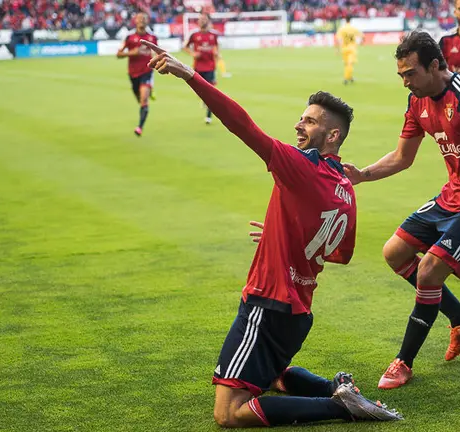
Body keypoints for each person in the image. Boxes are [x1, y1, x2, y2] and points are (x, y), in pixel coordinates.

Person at [141, 40, 403, 427]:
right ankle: (338, 386)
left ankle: (340, 407)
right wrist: (285, 231)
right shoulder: (346, 186)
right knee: (275, 377)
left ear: (332, 136)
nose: (299, 124)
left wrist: (188, 74)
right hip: (298, 312)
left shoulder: (302, 167)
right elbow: (338, 252)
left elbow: (243, 125)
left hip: (269, 302)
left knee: (229, 412)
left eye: (310, 121)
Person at [342, 31, 460, 390]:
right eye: (401, 74)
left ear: (435, 65)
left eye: (410, 73)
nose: (405, 81)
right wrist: (362, 176)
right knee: (395, 252)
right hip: (451, 197)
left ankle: (403, 362)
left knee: (429, 272)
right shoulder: (416, 101)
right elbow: (403, 157)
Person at [116, 13, 158, 137]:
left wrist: (157, 60)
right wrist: (132, 53)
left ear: (147, 21)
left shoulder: (152, 38)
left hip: (147, 72)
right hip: (133, 73)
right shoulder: (129, 38)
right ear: (135, 21)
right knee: (139, 98)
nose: (141, 21)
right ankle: (150, 91)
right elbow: (118, 54)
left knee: (144, 100)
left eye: (144, 19)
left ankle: (140, 127)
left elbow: (156, 53)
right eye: (139, 19)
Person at [184, 12, 221, 124]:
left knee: (211, 92)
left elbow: (216, 46)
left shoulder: (213, 35)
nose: (202, 21)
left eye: (204, 19)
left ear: (208, 21)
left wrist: (217, 53)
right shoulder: (194, 35)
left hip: (210, 67)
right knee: (199, 91)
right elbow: (185, 47)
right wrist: (193, 54)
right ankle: (203, 99)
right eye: (201, 19)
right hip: (198, 67)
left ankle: (208, 117)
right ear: (198, 22)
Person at [335, 16, 363, 85]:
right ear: (350, 20)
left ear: (345, 20)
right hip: (352, 48)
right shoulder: (353, 28)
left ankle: (350, 77)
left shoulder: (342, 29)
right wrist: (361, 42)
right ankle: (346, 78)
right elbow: (362, 36)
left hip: (344, 48)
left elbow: (338, 39)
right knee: (350, 64)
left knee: (346, 64)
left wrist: (337, 49)